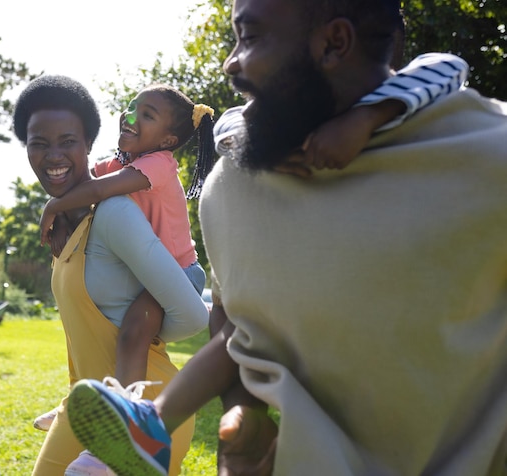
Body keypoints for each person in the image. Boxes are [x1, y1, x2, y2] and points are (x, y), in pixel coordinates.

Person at [65, 50, 473, 476]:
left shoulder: (405, 110)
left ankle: (149, 422)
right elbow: (228, 122)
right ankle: (149, 423)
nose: (233, 63)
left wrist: (365, 119)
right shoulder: (285, 133)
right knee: (241, 333)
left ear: (339, 44)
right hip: (291, 274)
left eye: (253, 38)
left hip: (330, 292)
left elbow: (447, 64)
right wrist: (256, 146)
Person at [12, 74, 209, 476]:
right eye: (39, 143)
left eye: (68, 141)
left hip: (153, 404)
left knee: (137, 326)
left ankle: (127, 424)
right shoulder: (90, 203)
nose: (54, 156)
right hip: (87, 401)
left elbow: (192, 317)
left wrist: (51, 205)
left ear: (86, 143)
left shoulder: (126, 195)